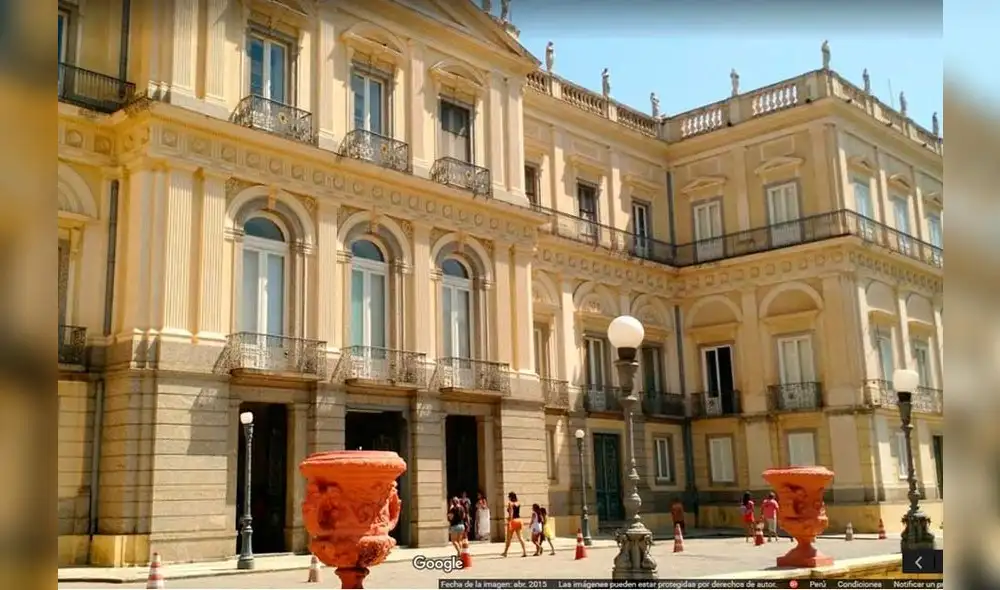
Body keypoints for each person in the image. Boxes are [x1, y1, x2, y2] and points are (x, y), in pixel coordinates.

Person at [501, 491, 527, 557]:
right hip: (519, 520)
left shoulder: (510, 504)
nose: (508, 498)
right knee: (520, 537)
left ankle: (505, 552)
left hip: (513, 521)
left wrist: (509, 519)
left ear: (510, 497)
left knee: (509, 538)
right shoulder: (518, 503)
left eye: (509, 497)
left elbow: (511, 513)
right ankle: (524, 552)